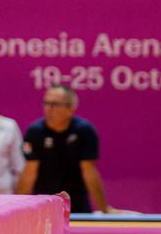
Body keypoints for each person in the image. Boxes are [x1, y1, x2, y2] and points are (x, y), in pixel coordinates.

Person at [17, 85, 112, 213]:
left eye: (54, 104)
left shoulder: (84, 131)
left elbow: (89, 172)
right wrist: (16, 209)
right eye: (46, 103)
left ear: (71, 109)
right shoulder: (35, 132)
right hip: (45, 206)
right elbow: (29, 173)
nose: (48, 109)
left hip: (77, 207)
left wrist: (104, 210)